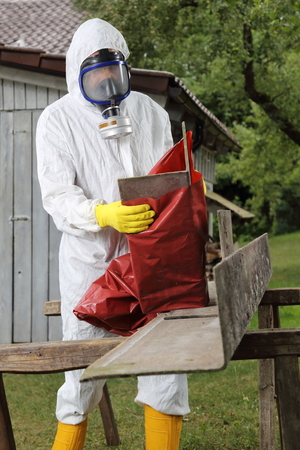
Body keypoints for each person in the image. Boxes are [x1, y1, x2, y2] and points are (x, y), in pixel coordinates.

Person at [36, 18, 190, 450]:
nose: (107, 84)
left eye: (113, 73)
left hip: (150, 261)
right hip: (90, 267)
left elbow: (168, 178)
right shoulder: (57, 120)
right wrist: (103, 213)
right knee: (81, 377)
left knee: (165, 367)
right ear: (76, 76)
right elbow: (58, 197)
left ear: (124, 69)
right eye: (95, 76)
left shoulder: (149, 112)